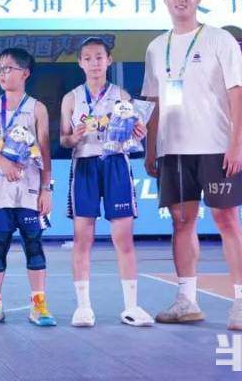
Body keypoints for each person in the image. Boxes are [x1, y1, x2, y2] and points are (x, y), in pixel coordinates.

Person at [141, 0, 242, 331]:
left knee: (227, 220)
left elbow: (238, 95)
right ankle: (186, 300)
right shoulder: (156, 47)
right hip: (173, 150)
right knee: (181, 221)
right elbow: (153, 102)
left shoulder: (220, 39)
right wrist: (151, 149)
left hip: (215, 146)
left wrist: (236, 145)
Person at [59, 37, 152, 327]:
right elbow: (63, 140)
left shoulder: (122, 96)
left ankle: (131, 307)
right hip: (84, 164)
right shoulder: (71, 98)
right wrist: (74, 136)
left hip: (116, 164)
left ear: (109, 60)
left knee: (123, 238)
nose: (94, 63)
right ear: (80, 63)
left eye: (99, 57)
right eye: (88, 58)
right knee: (82, 238)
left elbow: (135, 132)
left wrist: (138, 131)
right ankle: (83, 308)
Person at [0, 47, 56, 327]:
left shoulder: (37, 108)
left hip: (30, 189)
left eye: (8, 68)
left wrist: (47, 189)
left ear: (25, 73)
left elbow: (45, 151)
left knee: (33, 244)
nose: (2, 73)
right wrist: (5, 163)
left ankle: (39, 305)